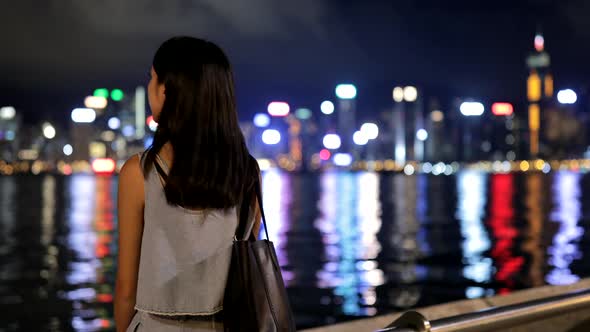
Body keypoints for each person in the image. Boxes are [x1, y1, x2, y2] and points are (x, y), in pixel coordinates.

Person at [114, 36, 260, 332]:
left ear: (167, 90)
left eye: (152, 78)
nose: (149, 88)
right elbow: (248, 268)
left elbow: (126, 287)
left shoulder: (140, 172)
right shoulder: (247, 171)